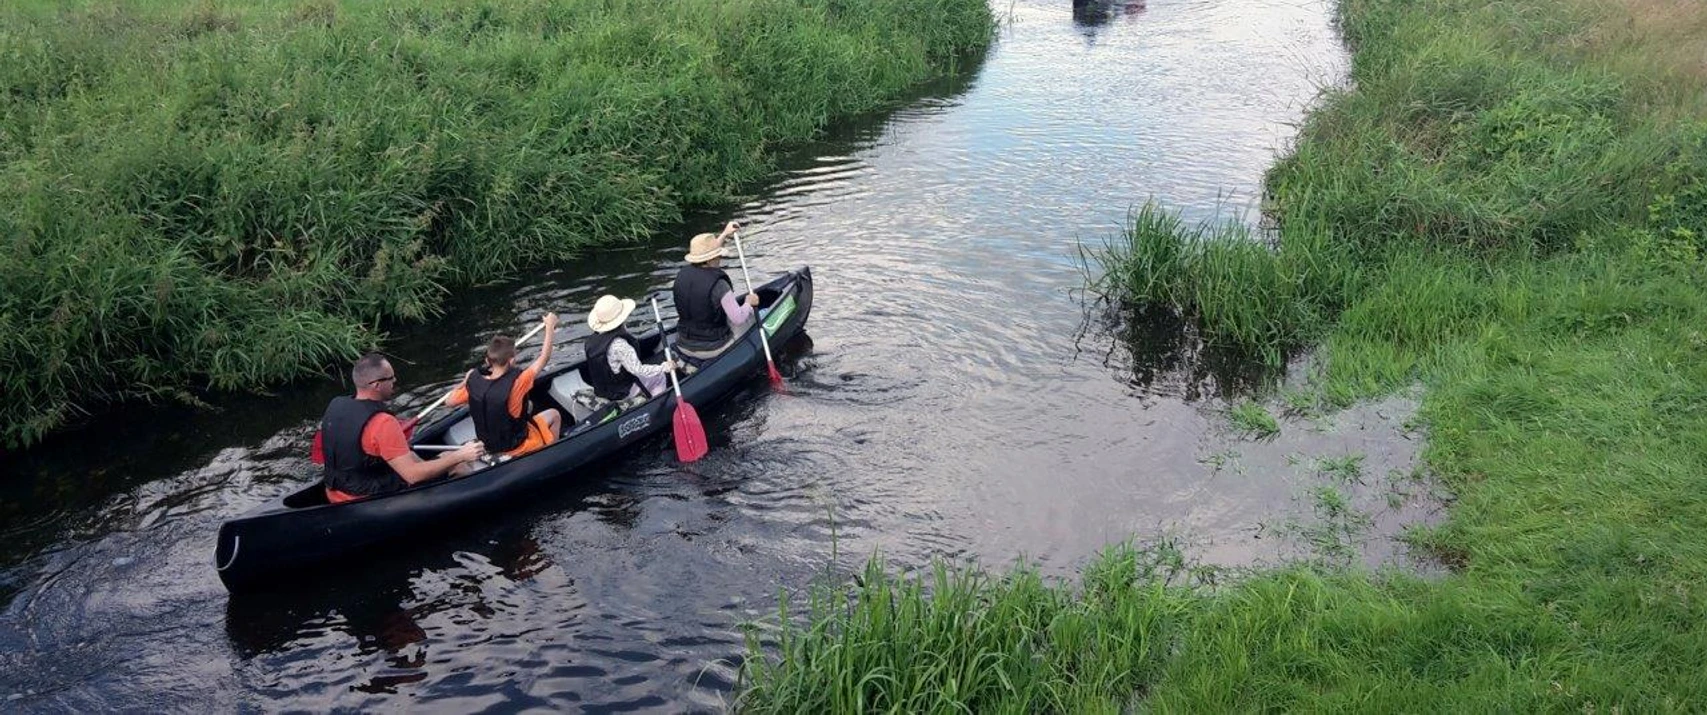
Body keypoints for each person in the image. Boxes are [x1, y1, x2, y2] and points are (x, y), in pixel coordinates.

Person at [320, 353, 485, 504]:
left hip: (336, 488)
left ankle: (435, 477)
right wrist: (460, 455)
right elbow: (412, 475)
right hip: (364, 498)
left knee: (411, 454)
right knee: (458, 464)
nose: (395, 381)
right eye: (390, 378)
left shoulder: (336, 405)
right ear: (376, 385)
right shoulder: (382, 422)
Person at [445, 313, 563, 458]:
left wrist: (466, 380)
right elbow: (544, 358)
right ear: (512, 360)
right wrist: (550, 327)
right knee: (554, 414)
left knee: (529, 405)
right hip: (519, 446)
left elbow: (448, 402)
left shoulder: (474, 382)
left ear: (487, 361)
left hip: (490, 445)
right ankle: (552, 454)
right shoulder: (519, 381)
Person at [672, 221, 760, 361]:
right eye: (718, 255)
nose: (720, 258)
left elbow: (707, 255)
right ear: (711, 258)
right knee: (750, 316)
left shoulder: (681, 275)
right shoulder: (719, 285)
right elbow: (738, 319)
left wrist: (725, 233)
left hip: (683, 342)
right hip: (713, 348)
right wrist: (749, 302)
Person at [584, 294, 677, 401]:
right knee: (659, 377)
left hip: (603, 390)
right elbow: (638, 371)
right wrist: (664, 367)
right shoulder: (619, 344)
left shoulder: (590, 341)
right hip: (622, 392)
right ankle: (657, 402)